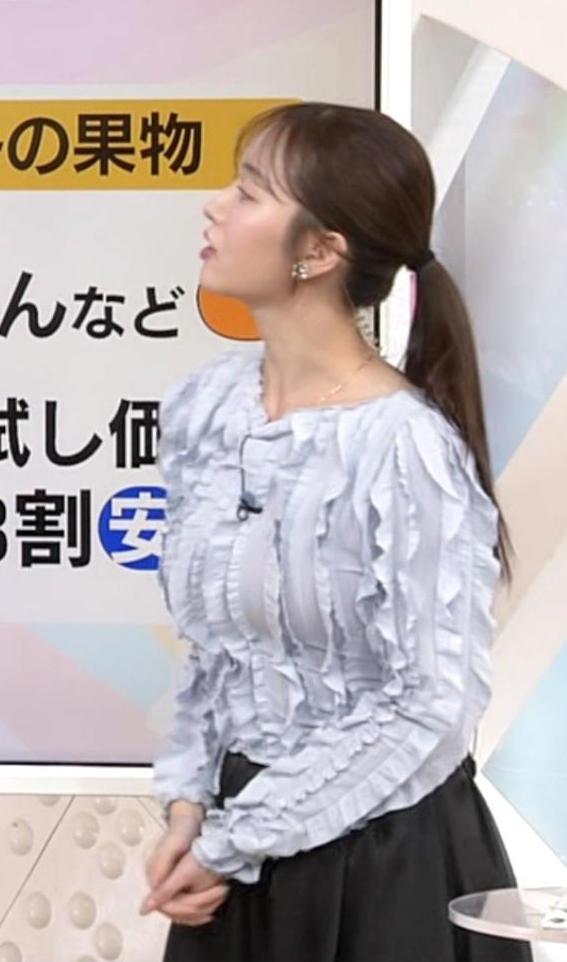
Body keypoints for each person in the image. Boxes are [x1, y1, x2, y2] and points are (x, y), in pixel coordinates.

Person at [140, 102, 531, 962]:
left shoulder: (404, 446)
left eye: (249, 192)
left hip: (384, 865)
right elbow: (214, 655)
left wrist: (236, 840)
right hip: (236, 856)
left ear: (319, 252)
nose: (214, 205)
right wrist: (188, 806)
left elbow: (430, 706)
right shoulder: (208, 404)